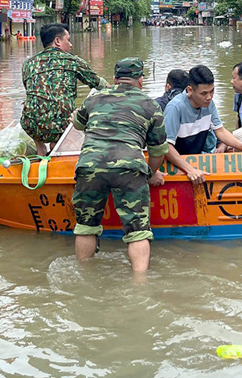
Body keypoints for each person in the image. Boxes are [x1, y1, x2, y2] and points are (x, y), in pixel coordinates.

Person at [71, 58, 168, 272]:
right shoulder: (151, 105)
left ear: (115, 79)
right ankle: (140, 284)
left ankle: (84, 276)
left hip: (89, 166)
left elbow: (77, 123)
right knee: (138, 231)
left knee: (86, 226)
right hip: (129, 167)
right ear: (141, 80)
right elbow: (159, 151)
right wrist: (149, 173)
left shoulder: (95, 98)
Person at [163, 65, 242, 183]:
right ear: (190, 90)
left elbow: (220, 131)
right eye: (204, 93)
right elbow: (166, 147)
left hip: (195, 161)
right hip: (176, 165)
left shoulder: (208, 104)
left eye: (212, 91)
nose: (209, 97)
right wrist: (190, 170)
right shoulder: (175, 107)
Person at [21, 23, 108, 155]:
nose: (71, 45)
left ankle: (41, 153)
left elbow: (31, 91)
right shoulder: (72, 61)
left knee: (38, 114)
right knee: (64, 121)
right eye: (68, 40)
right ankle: (56, 152)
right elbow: (99, 84)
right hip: (60, 124)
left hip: (30, 124)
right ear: (57, 41)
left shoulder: (28, 64)